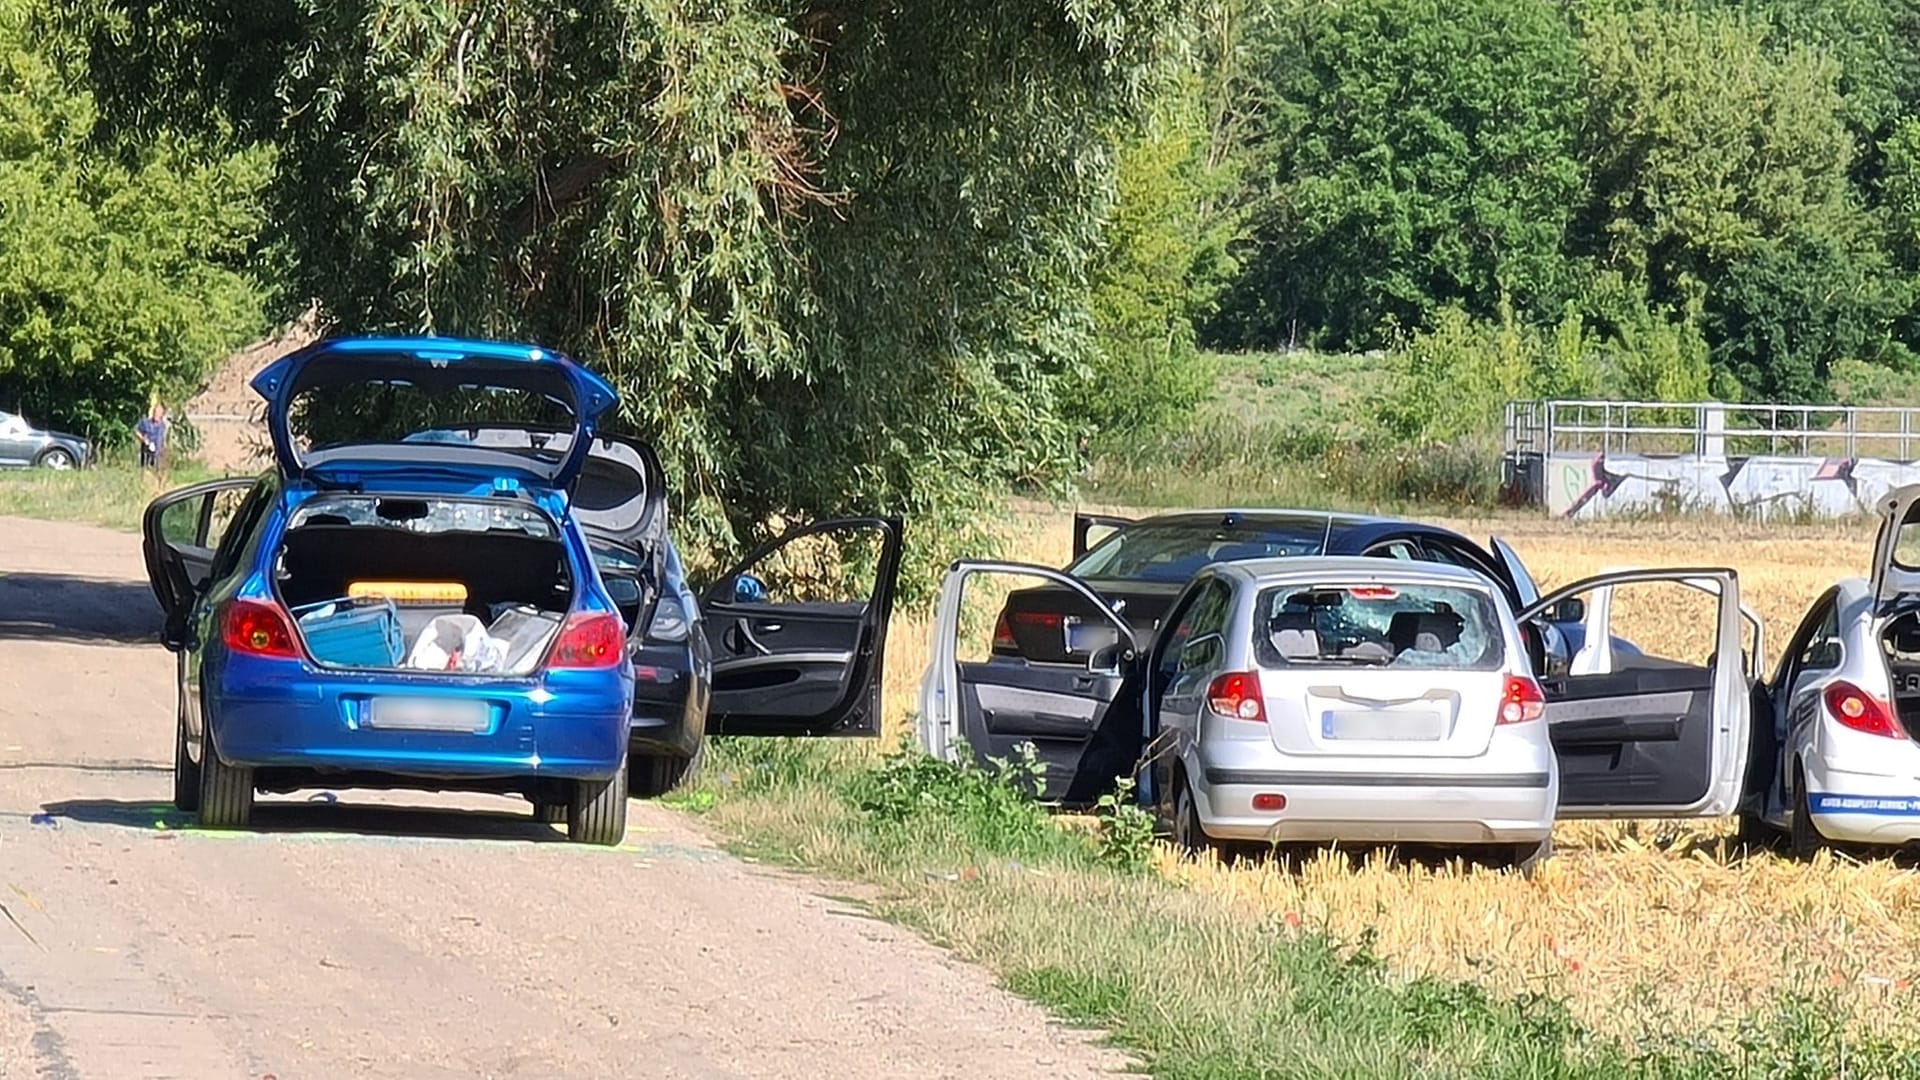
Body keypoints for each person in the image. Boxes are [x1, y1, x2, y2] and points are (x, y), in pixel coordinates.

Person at [135, 403, 169, 470]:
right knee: (146, 472)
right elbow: (136, 431)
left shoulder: (163, 426)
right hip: (146, 455)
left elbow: (163, 439)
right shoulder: (146, 422)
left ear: (162, 414)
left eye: (158, 412)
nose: (156, 414)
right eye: (155, 412)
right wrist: (144, 439)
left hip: (158, 457)